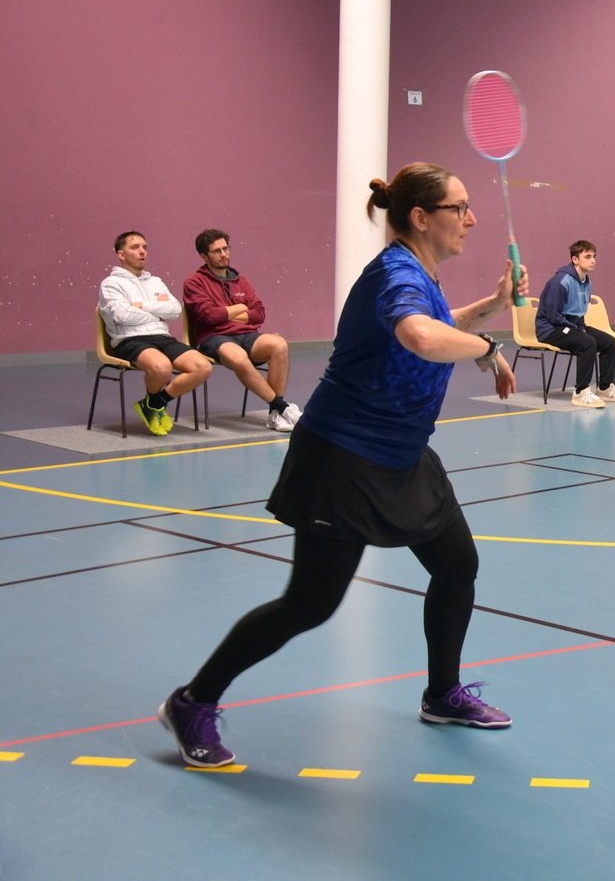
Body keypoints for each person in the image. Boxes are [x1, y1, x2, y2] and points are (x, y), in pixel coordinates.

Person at [158, 163, 523, 768]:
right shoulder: (395, 273)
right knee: (310, 603)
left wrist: (492, 306)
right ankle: (191, 702)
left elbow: (437, 325)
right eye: (460, 207)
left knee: (458, 567)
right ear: (420, 217)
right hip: (344, 457)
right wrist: (489, 348)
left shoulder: (419, 273)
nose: (472, 219)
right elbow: (420, 336)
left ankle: (442, 694)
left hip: (404, 454)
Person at [182, 229, 302, 432]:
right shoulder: (194, 282)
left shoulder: (241, 281)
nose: (224, 254)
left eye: (226, 248)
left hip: (246, 335)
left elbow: (259, 314)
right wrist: (240, 307)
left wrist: (226, 312)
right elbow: (209, 317)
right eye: (217, 251)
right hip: (213, 337)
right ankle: (282, 408)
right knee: (238, 357)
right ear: (204, 256)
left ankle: (274, 415)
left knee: (279, 344)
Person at [98, 231, 214, 436]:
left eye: (144, 247)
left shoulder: (156, 282)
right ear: (121, 254)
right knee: (162, 368)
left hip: (162, 338)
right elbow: (122, 315)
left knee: (202, 367)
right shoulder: (110, 284)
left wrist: (141, 306)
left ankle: (153, 404)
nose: (142, 251)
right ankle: (154, 406)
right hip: (130, 339)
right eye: (135, 247)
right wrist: (157, 311)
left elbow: (175, 310)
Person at [535, 240, 615, 408]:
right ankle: (581, 392)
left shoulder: (586, 282)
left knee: (608, 341)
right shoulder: (560, 282)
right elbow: (553, 315)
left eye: (594, 256)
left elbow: (579, 313)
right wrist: (576, 330)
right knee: (587, 343)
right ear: (575, 259)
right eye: (587, 257)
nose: (592, 260)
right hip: (551, 329)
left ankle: (605, 388)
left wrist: (580, 327)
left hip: (571, 326)